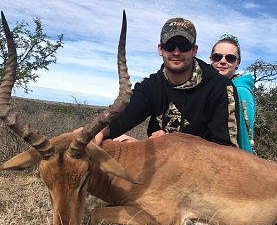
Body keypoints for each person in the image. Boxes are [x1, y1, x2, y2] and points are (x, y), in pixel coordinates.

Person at [95, 18, 241, 147]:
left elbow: (227, 148)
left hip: (203, 173)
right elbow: (123, 117)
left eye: (183, 46)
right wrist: (96, 131)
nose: (176, 52)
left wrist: (173, 144)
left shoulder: (221, 88)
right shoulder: (150, 85)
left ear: (194, 50)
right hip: (161, 169)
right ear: (160, 49)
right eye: (170, 46)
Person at [210, 34, 256, 153]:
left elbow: (245, 136)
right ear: (211, 59)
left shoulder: (241, 91)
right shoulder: (212, 88)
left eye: (230, 58)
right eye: (217, 57)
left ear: (238, 63)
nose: (223, 61)